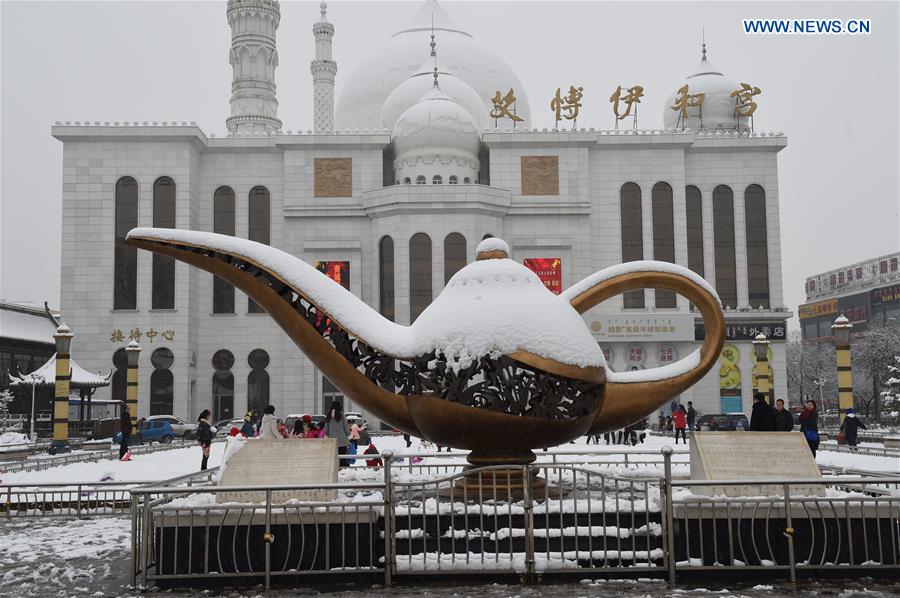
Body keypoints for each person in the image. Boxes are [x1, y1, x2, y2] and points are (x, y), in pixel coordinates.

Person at [325, 401, 351, 466]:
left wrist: (327, 437)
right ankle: (343, 470)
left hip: (332, 440)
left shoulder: (328, 416)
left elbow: (326, 429)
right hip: (342, 440)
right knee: (342, 457)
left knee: (334, 457)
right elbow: (346, 428)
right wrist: (349, 436)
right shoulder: (342, 416)